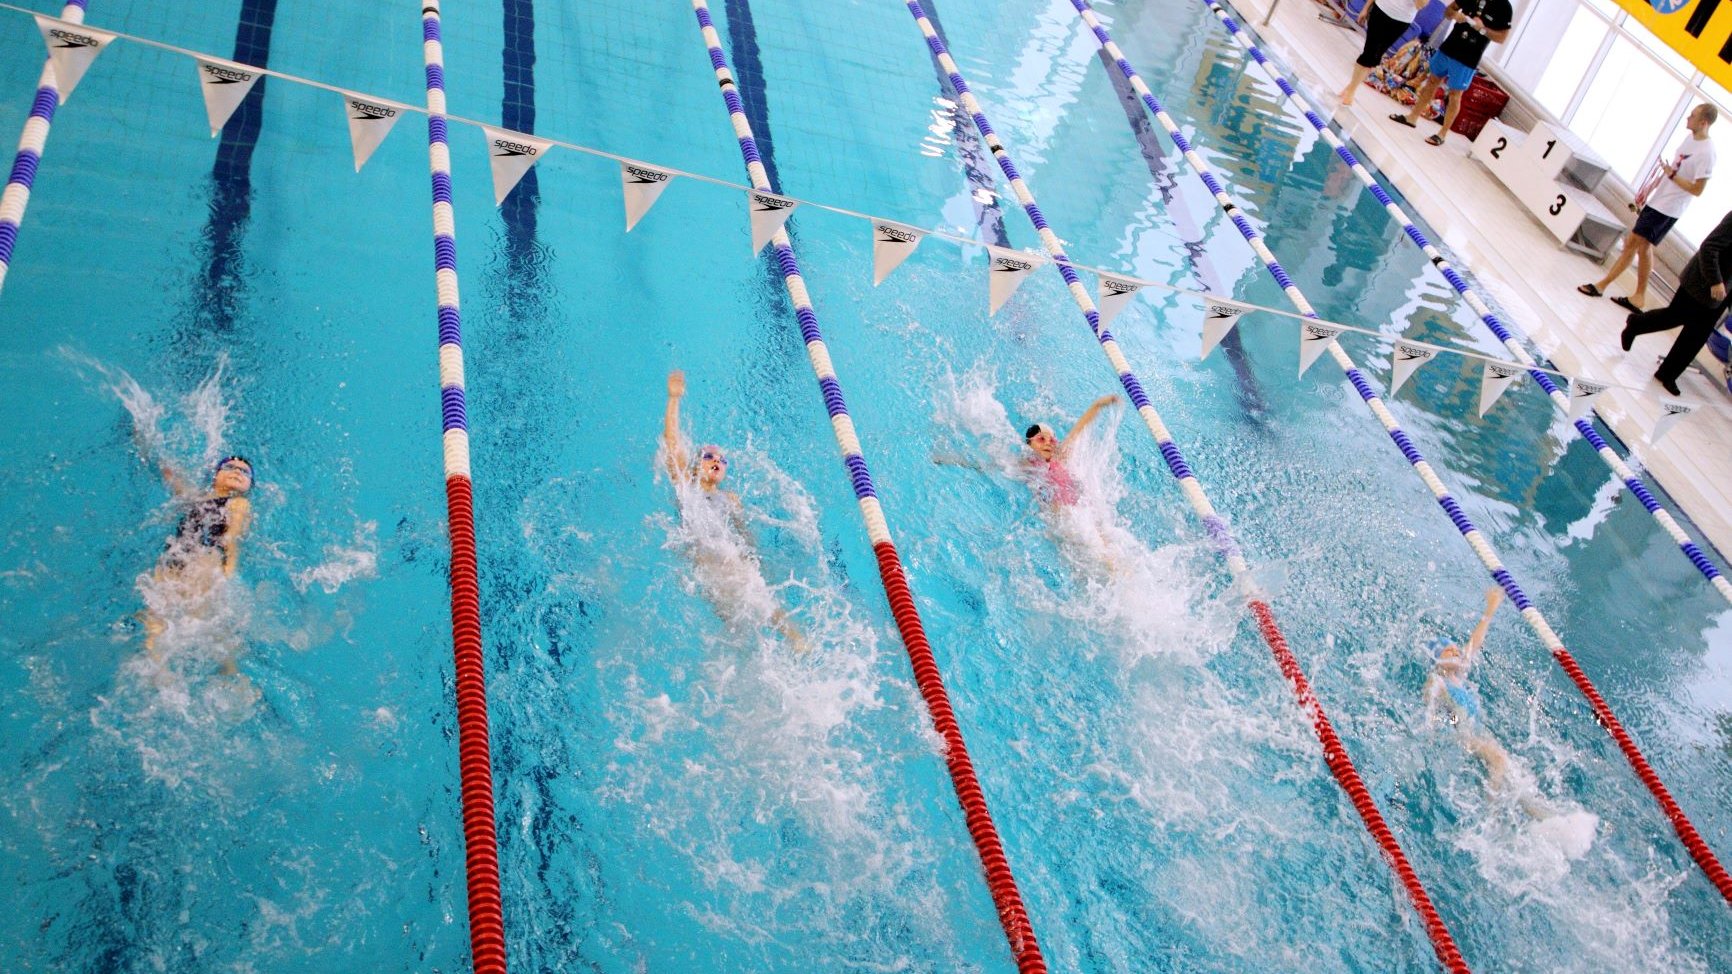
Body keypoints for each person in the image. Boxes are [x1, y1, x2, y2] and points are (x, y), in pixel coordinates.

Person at [661, 370, 804, 651]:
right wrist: (674, 399)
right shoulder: (686, 486)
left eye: (723, 459)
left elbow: (743, 534)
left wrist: (754, 559)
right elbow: (672, 446)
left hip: (731, 560)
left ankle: (796, 642)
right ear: (694, 465)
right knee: (736, 623)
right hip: (706, 561)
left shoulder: (731, 498)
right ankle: (786, 646)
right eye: (709, 456)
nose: (717, 460)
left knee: (754, 595)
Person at [1580, 103, 1718, 313]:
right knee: (1642, 246)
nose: (1687, 118)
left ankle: (1602, 285)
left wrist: (1672, 175)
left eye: (1692, 116)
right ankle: (1639, 298)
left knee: (1633, 242)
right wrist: (1649, 190)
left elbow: (1697, 189)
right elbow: (1672, 168)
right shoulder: (1689, 139)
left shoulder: (1707, 153)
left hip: (1669, 208)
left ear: (1703, 122)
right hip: (1659, 200)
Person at [144, 455, 254, 673]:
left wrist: (229, 570)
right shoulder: (195, 498)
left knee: (195, 625)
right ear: (215, 475)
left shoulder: (239, 503)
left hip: (202, 565)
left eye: (245, 472)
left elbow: (232, 537)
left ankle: (229, 672)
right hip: (172, 566)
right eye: (229, 467)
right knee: (158, 622)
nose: (237, 472)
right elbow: (171, 476)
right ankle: (158, 669)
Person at [1619, 207, 1732, 395]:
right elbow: (1709, 247)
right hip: (1703, 279)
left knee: (1697, 335)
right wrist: (1715, 281)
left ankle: (1667, 374)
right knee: (1674, 316)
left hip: (1724, 288)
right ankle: (1636, 323)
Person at [1390, 0, 1511, 147]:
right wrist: (1455, 15)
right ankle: (1412, 117)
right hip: (1450, 46)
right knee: (1432, 82)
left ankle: (1442, 134)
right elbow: (1448, 11)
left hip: (1468, 57)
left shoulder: (1504, 6)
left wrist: (1482, 29)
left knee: (1455, 95)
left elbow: (1502, 37)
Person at [1022, 394, 1120, 509]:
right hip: (1056, 514)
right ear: (1029, 444)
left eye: (1052, 440)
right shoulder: (1027, 463)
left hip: (1079, 510)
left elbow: (1079, 428)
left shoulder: (1060, 456)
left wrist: (1097, 405)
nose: (1048, 443)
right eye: (1041, 439)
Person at [1338, 0, 1433, 108]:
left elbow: (1420, 5)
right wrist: (1366, 8)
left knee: (1376, 57)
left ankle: (1351, 87)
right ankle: (1351, 91)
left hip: (1401, 21)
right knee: (1369, 53)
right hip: (1381, 10)